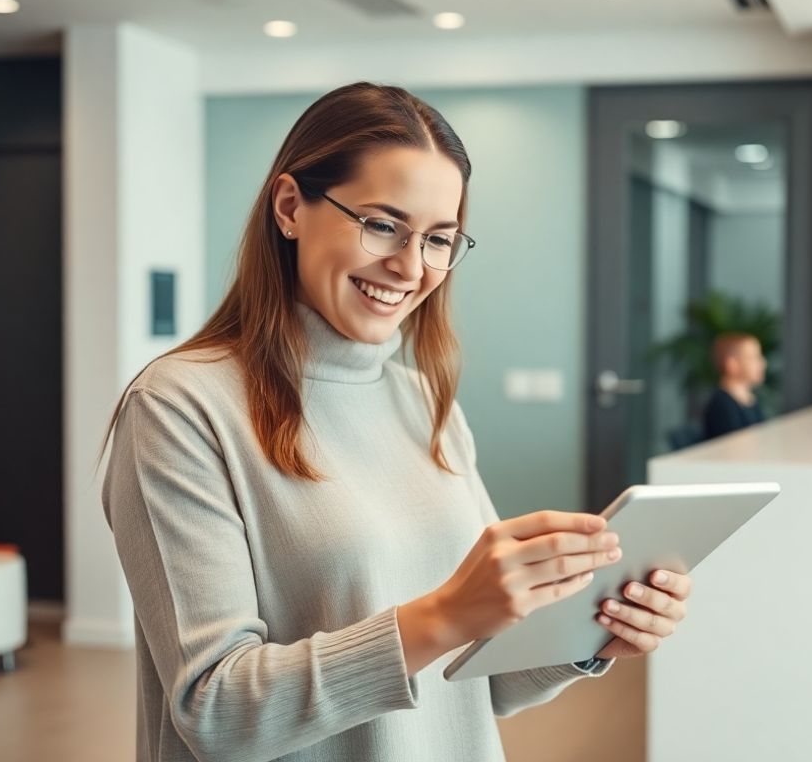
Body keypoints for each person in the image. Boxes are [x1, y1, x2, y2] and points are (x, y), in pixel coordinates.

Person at [99, 83, 695, 762]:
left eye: (439, 239)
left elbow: (477, 679)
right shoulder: (180, 407)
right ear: (290, 207)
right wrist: (445, 614)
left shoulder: (422, 400)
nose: (411, 267)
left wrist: (588, 637)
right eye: (382, 225)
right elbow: (216, 713)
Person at [701, 332, 767, 441]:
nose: (763, 363)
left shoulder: (750, 399)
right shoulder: (722, 406)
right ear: (732, 364)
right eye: (754, 358)